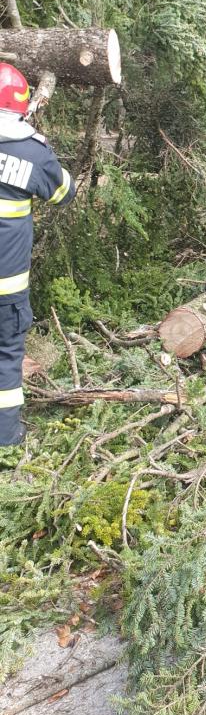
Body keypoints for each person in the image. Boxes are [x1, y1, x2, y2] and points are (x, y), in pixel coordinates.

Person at [0, 63, 76, 446]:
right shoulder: (33, 153)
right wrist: (42, 154)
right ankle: (6, 440)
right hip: (6, 288)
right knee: (5, 356)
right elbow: (65, 193)